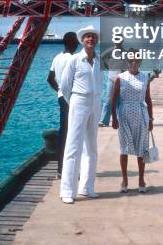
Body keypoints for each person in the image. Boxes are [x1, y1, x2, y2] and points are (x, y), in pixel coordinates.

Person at [60, 25, 103, 204]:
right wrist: (74, 103)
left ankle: (87, 187)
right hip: (79, 101)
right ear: (82, 40)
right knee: (73, 146)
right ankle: (67, 191)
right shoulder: (75, 60)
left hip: (95, 102)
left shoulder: (100, 60)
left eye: (93, 36)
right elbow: (64, 87)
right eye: (87, 37)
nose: (90, 39)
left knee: (91, 148)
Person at [111, 50, 153, 193]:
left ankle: (141, 179)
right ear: (126, 62)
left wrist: (151, 118)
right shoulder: (120, 78)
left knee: (142, 148)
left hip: (142, 115)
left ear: (140, 61)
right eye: (130, 61)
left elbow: (148, 99)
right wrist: (114, 118)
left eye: (137, 60)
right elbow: (114, 99)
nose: (133, 63)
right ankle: (125, 179)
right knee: (124, 149)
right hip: (124, 115)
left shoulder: (145, 77)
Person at [47, 32, 79, 178]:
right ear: (73, 43)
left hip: (61, 97)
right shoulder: (74, 58)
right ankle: (70, 169)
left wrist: (59, 89)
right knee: (73, 133)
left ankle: (60, 169)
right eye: (77, 42)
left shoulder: (57, 57)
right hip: (72, 98)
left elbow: (50, 79)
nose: (78, 44)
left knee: (63, 132)